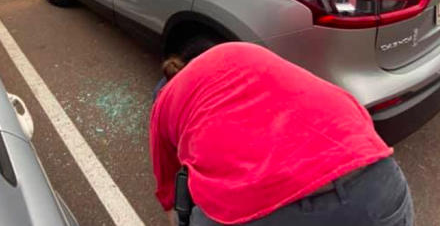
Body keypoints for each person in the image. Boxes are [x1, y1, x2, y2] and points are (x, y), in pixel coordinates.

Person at [151, 43, 412, 226]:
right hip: (376, 181)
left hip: (268, 208)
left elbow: (171, 199)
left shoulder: (164, 104)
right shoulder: (243, 53)